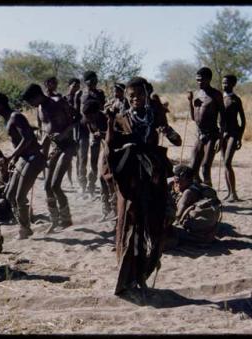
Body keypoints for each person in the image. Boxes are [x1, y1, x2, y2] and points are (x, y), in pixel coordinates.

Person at [105, 77, 171, 296]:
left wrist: (168, 132)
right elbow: (110, 149)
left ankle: (143, 274)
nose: (135, 99)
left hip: (152, 177)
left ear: (146, 94)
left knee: (152, 226)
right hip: (130, 179)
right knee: (129, 225)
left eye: (139, 95)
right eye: (131, 96)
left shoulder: (155, 116)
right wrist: (126, 145)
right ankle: (126, 278)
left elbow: (173, 137)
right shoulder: (120, 118)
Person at [0, 92, 45, 239]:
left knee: (19, 197)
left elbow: (28, 138)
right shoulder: (8, 118)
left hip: (33, 158)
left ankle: (24, 229)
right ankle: (23, 224)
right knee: (9, 194)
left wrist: (12, 156)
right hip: (23, 159)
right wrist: (15, 158)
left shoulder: (15, 117)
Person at [22, 84, 76, 233]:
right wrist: (41, 151)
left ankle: (66, 219)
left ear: (37, 95)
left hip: (68, 145)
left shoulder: (58, 102)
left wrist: (65, 133)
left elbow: (77, 118)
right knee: (47, 186)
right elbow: (45, 132)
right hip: (54, 148)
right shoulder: (39, 109)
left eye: (30, 101)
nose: (30, 105)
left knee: (55, 185)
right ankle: (55, 220)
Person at [188, 67, 224, 186]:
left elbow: (223, 118)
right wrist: (190, 101)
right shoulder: (197, 94)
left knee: (205, 167)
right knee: (192, 167)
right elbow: (193, 118)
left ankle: (210, 194)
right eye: (197, 80)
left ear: (209, 79)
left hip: (212, 134)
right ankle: (199, 192)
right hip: (199, 134)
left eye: (201, 80)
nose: (199, 82)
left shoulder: (216, 95)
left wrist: (221, 138)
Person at [170, 165, 221, 245]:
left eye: (180, 182)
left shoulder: (188, 193)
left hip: (194, 233)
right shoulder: (197, 185)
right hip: (208, 231)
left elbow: (177, 215)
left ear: (189, 180)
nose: (178, 185)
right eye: (176, 182)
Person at [82, 99, 116, 220]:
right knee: (101, 179)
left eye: (90, 116)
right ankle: (106, 210)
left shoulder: (107, 119)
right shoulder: (88, 120)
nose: (88, 119)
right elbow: (92, 133)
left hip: (112, 151)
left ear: (96, 113)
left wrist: (102, 134)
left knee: (110, 180)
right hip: (101, 150)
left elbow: (113, 135)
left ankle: (114, 209)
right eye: (86, 117)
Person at [79, 71, 106, 195]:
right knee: (88, 159)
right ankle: (87, 185)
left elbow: (102, 108)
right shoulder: (82, 94)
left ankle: (97, 184)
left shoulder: (100, 93)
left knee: (104, 157)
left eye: (95, 81)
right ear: (86, 82)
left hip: (102, 126)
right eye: (91, 81)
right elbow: (82, 115)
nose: (94, 83)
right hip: (88, 129)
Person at [220, 74, 246, 201]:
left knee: (227, 162)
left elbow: (243, 120)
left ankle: (234, 193)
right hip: (222, 134)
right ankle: (229, 192)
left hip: (233, 133)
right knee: (225, 164)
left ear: (233, 84)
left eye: (227, 83)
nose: (224, 85)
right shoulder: (219, 98)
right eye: (223, 83)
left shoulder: (236, 99)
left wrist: (240, 137)